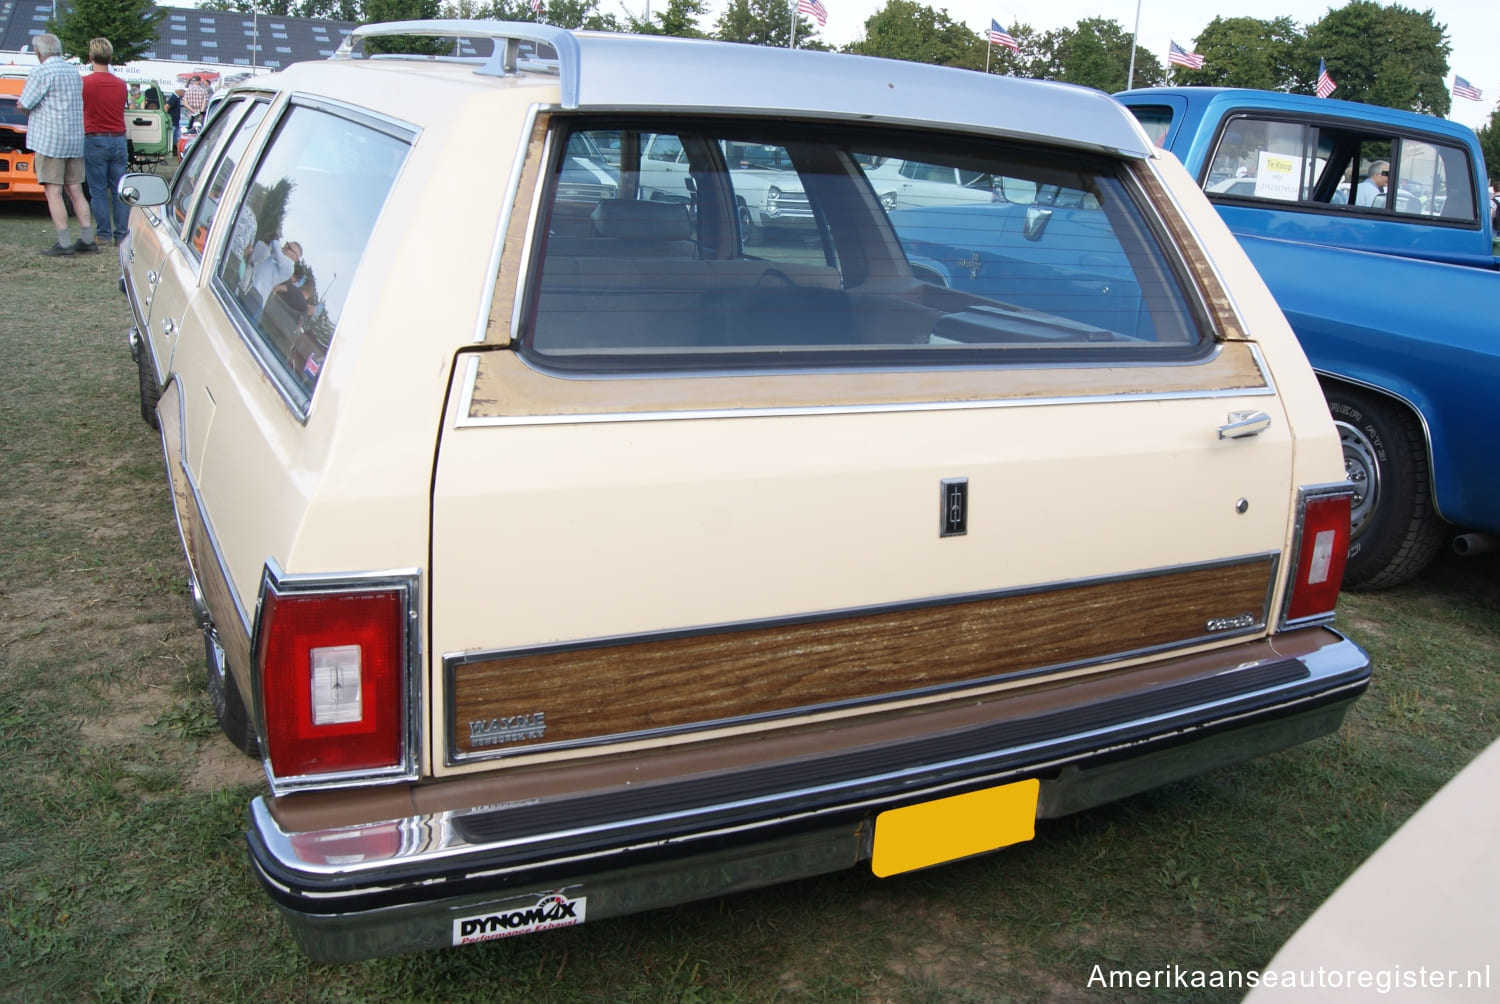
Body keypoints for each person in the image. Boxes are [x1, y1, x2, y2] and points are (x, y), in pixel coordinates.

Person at [17, 33, 97, 257]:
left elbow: (25, 103)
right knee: (76, 190)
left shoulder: (41, 71)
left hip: (50, 139)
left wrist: (26, 109)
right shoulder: (73, 72)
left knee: (53, 192)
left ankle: (63, 242)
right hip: (74, 138)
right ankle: (87, 238)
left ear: (38, 52)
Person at [81, 37, 130, 246]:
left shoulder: (84, 83)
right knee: (120, 189)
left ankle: (103, 233)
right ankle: (121, 234)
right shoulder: (120, 85)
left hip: (95, 137)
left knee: (98, 189)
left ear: (90, 57)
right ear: (110, 57)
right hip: (118, 138)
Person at [241, 238, 302, 319]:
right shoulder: (277, 258)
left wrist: (277, 242)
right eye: (287, 244)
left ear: (295, 257)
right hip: (251, 289)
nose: (285, 247)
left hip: (256, 296)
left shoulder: (289, 266)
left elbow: (275, 244)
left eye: (289, 248)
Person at [166, 87, 182, 152]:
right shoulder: (174, 97)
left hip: (176, 122)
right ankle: (166, 152)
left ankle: (178, 152)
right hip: (172, 122)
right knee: (170, 139)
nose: (184, 93)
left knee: (178, 139)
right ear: (179, 91)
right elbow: (166, 107)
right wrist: (166, 118)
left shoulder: (177, 98)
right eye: (183, 91)